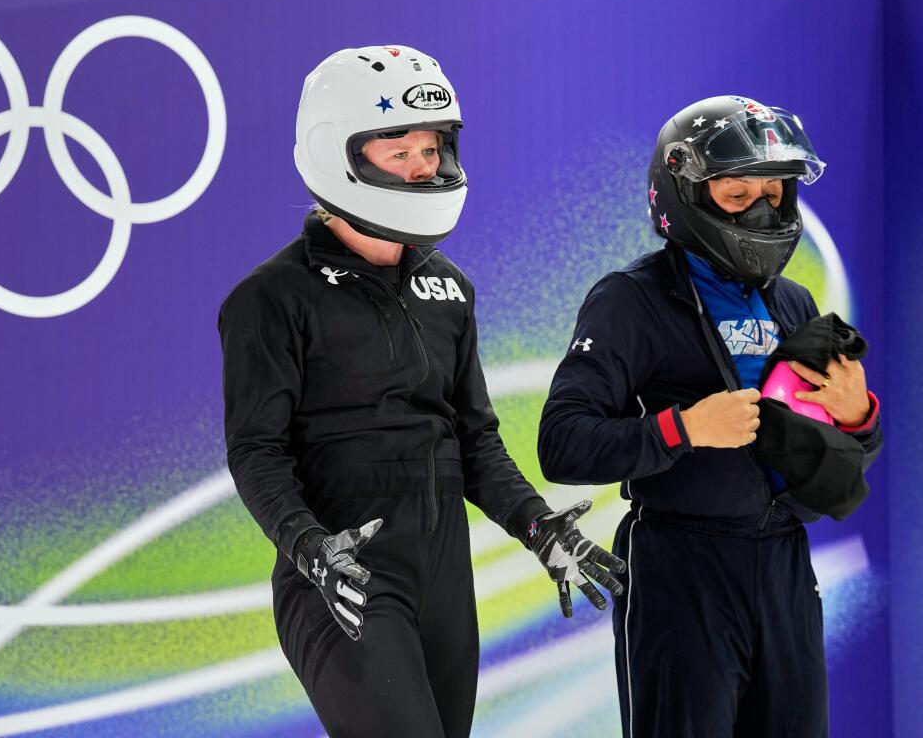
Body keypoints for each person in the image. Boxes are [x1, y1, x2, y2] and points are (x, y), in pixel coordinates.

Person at [218, 45, 625, 737]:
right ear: (336, 154)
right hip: (341, 579)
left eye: (431, 148)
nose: (421, 166)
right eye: (397, 148)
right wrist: (311, 547)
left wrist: (539, 528)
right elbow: (256, 451)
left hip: (443, 575)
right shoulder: (270, 299)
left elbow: (474, 440)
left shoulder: (451, 290)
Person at [538, 96, 884, 737]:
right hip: (680, 568)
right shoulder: (631, 299)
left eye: (775, 194)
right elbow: (562, 442)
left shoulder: (793, 302)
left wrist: (857, 418)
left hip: (783, 569)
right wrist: (685, 429)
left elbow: (837, 464)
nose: (762, 209)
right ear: (684, 193)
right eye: (736, 193)